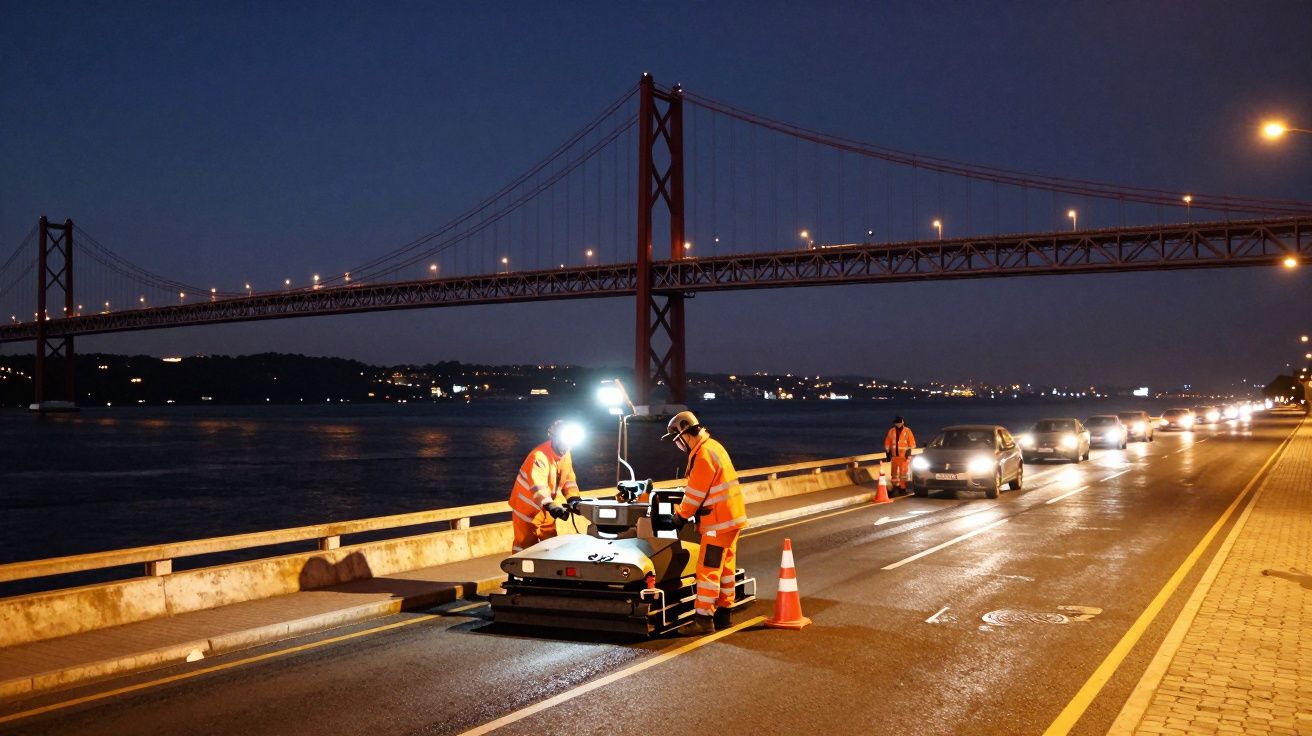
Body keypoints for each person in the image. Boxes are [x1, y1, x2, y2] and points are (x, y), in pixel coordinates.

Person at [664, 410, 747, 634]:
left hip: (717, 523)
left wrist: (680, 516)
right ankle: (723, 614)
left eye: (679, 440)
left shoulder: (703, 455)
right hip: (731, 519)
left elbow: (695, 493)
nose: (680, 445)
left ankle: (703, 618)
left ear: (685, 434)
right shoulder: (714, 447)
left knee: (708, 570)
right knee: (726, 567)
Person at [507, 420, 582, 554]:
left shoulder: (565, 455)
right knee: (525, 546)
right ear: (555, 438)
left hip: (546, 509)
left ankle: (546, 573)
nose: (567, 446)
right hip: (527, 509)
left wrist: (574, 499)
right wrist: (551, 505)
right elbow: (538, 486)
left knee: (550, 544)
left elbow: (569, 479)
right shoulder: (538, 456)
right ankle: (519, 573)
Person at [883, 416, 917, 494]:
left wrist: (908, 452)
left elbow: (912, 444)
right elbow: (887, 442)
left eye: (899, 423)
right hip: (894, 457)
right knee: (894, 474)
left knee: (903, 474)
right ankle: (895, 487)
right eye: (896, 423)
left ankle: (902, 488)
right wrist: (888, 452)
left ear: (902, 423)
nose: (898, 424)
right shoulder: (891, 431)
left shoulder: (907, 431)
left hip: (903, 457)